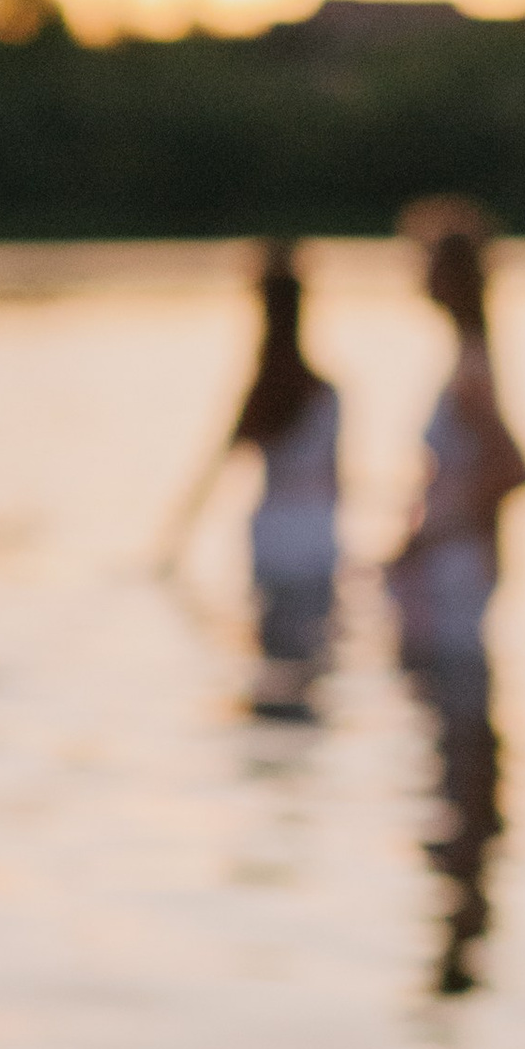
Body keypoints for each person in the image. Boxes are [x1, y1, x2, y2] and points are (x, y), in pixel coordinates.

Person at [386, 202, 525, 665]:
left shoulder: (470, 370)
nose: (419, 273)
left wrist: (429, 536)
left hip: (457, 565)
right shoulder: (470, 358)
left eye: (427, 262)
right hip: (454, 562)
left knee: (455, 694)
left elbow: (514, 470)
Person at [228, 240, 340, 706]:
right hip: (318, 534)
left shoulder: (262, 390)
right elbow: (340, 478)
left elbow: (222, 466)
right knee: (315, 655)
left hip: (274, 534)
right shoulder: (326, 390)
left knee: (273, 653)